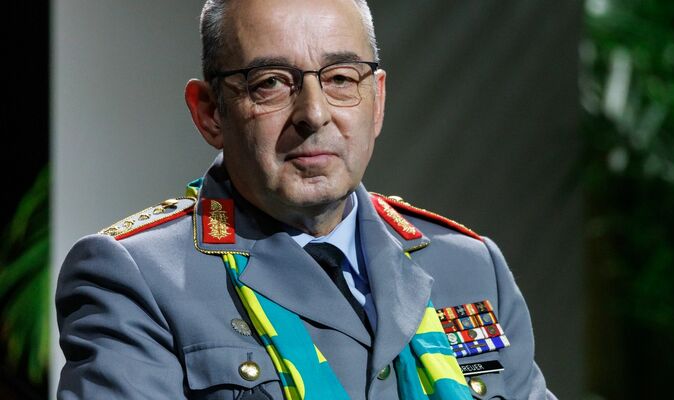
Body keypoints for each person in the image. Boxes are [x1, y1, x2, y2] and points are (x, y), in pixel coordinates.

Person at [55, 0, 557, 399]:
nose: (314, 113)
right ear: (209, 113)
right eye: (270, 83)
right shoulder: (135, 277)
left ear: (377, 101)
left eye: (341, 78)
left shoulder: (468, 266)